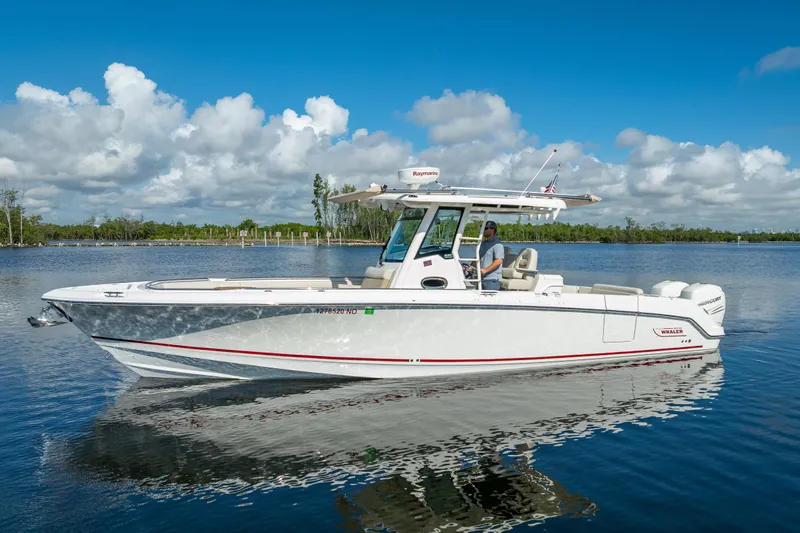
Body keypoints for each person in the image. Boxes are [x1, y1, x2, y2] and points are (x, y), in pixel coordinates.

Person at [479, 221, 504, 290]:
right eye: (482, 228)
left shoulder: (497, 245)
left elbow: (499, 260)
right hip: (481, 278)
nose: (483, 230)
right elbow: (478, 258)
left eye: (485, 228)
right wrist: (469, 268)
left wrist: (485, 270)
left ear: (492, 230)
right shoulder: (483, 244)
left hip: (492, 280)